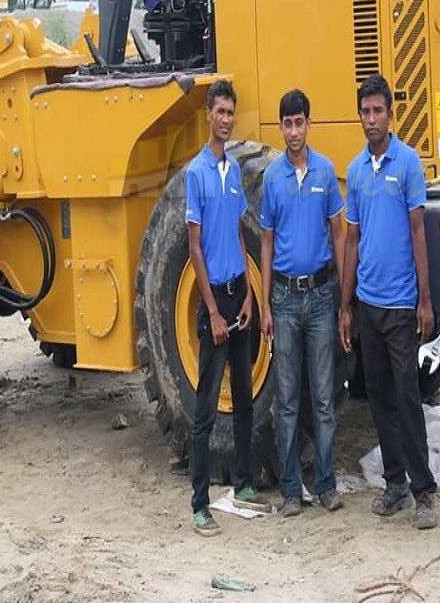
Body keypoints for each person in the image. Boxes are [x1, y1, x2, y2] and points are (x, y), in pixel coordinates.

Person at [338, 73, 438, 530]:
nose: (372, 119)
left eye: (378, 111)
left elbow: (419, 232)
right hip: (368, 304)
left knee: (407, 395)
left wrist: (424, 300)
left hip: (401, 306)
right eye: (365, 111)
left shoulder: (408, 164)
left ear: (390, 115)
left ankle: (424, 492)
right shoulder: (356, 171)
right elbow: (352, 240)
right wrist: (346, 304)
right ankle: (394, 485)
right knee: (377, 394)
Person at [186, 79, 271, 536]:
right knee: (204, 408)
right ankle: (200, 503)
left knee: (243, 397)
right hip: (216, 297)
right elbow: (195, 247)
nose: (225, 119)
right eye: (219, 112)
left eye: (230, 112)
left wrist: (252, 295)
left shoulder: (233, 171)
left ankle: (243, 484)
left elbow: (239, 234)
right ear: (208, 115)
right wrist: (214, 311)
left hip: (240, 291)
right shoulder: (196, 173)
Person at [259, 89, 345, 517]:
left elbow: (340, 234)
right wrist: (266, 306)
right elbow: (267, 244)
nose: (294, 131)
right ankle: (291, 490)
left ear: (310, 124)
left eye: (300, 123)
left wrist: (343, 299)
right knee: (288, 400)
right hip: (286, 301)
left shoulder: (326, 173)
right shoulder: (272, 179)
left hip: (320, 298)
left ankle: (325, 484)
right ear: (281, 128)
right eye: (287, 124)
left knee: (324, 398)